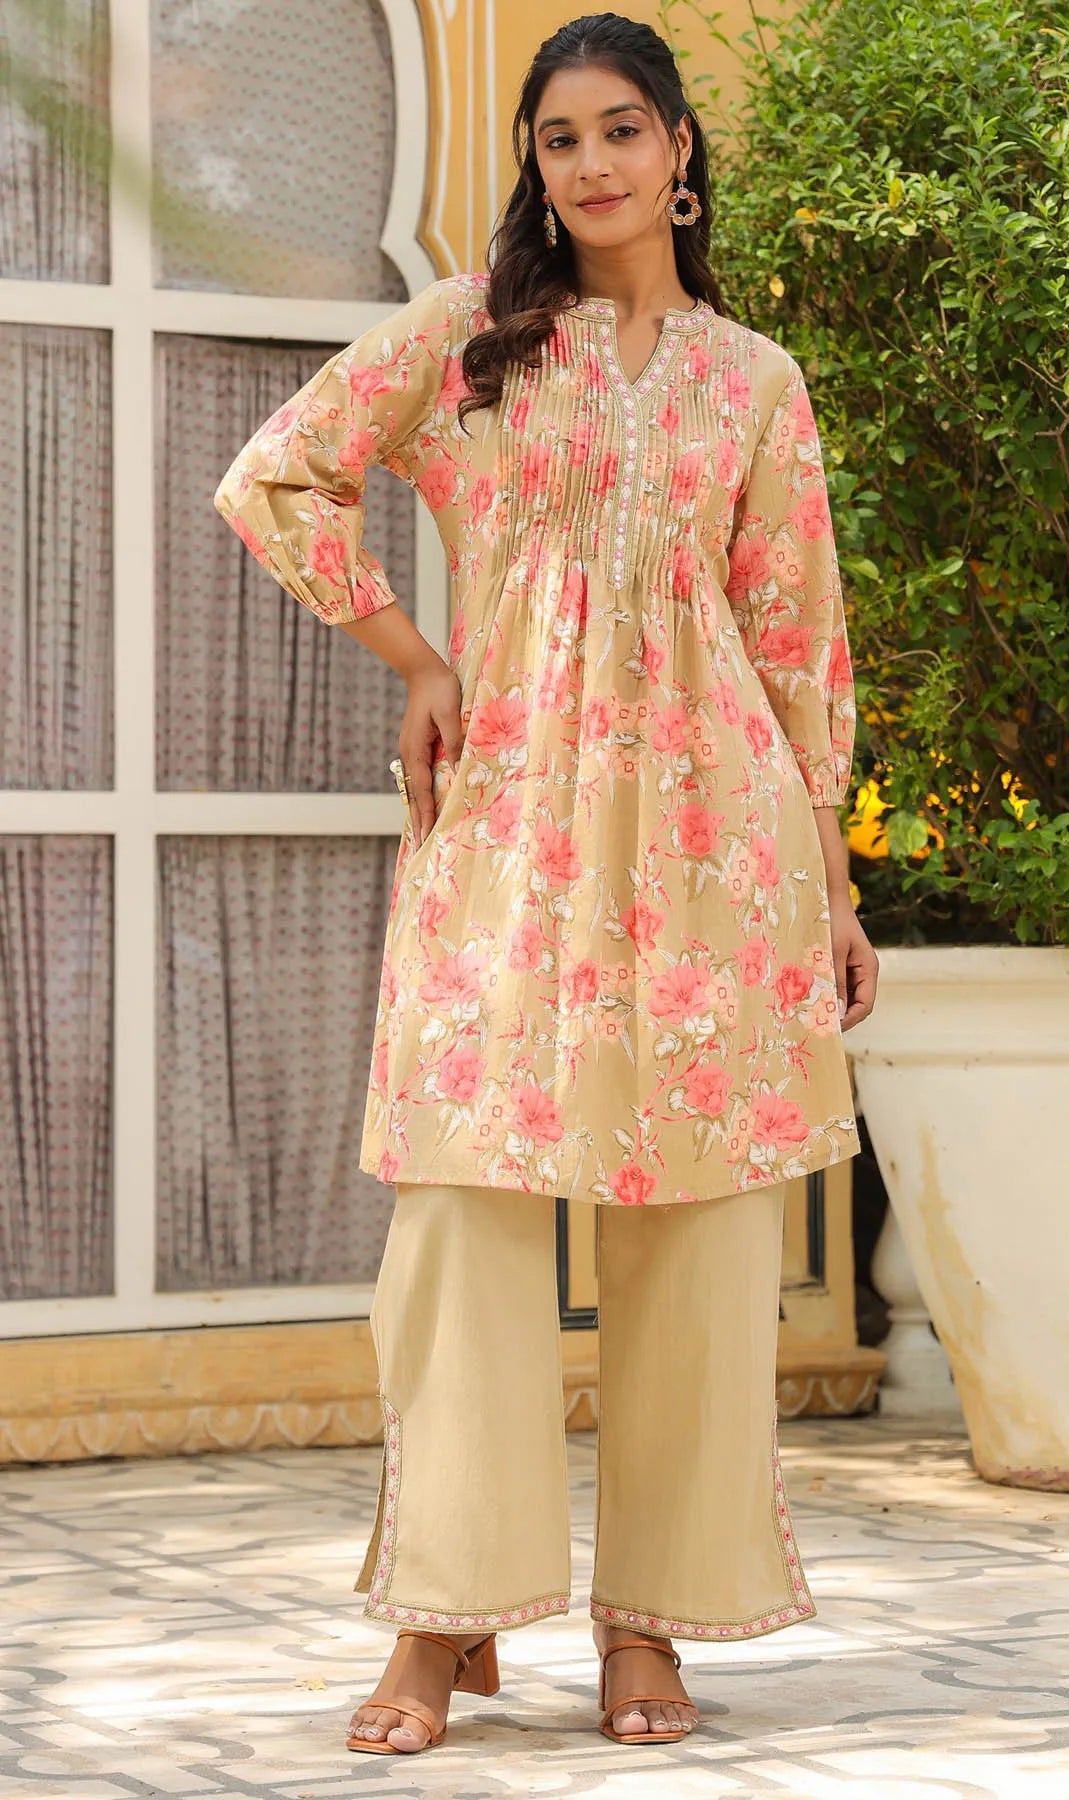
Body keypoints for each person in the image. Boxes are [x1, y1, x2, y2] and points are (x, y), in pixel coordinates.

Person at [214, 10, 878, 1757]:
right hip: (509, 820)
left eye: (619, 130)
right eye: (558, 137)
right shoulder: (471, 342)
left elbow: (799, 647)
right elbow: (276, 477)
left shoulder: (756, 384)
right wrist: (416, 660)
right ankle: (442, 1618)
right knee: (463, 1217)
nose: (587, 164)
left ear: (679, 149)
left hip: (712, 838)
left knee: (699, 1236)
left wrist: (834, 885)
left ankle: (646, 1625)